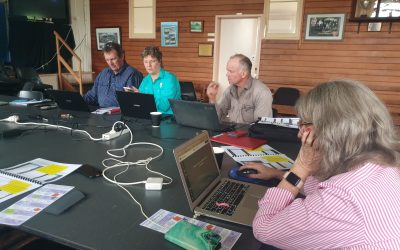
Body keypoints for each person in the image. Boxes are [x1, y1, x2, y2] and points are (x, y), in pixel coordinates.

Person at [239, 79, 400, 249]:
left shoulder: (344, 198)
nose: (300, 130)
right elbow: (320, 187)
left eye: (305, 123)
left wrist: (301, 166)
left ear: (332, 131)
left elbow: (264, 230)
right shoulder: (383, 166)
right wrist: (279, 174)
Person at [206, 54, 273, 124]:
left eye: (231, 71)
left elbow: (262, 127)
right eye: (227, 71)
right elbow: (218, 117)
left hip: (250, 134)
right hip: (231, 133)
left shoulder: (262, 92)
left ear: (243, 74)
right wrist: (212, 98)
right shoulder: (230, 90)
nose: (227, 74)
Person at [83, 42, 143, 107]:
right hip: (100, 113)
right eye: (107, 60)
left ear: (122, 56)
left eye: (113, 59)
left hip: (119, 115)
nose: (110, 63)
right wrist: (79, 101)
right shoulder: (103, 73)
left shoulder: (132, 74)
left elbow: (131, 103)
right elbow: (92, 96)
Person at [127, 46, 180, 115]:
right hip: (148, 116)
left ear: (159, 61)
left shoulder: (169, 79)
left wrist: (142, 97)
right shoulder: (145, 80)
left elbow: (164, 106)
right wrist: (134, 96)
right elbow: (140, 105)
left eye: (152, 61)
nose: (148, 65)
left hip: (168, 118)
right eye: (146, 62)